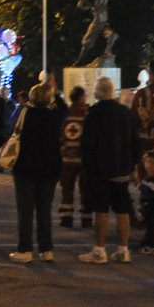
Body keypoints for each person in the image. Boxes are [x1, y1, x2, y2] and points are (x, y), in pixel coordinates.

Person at [78, 76, 139, 264]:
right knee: (122, 209)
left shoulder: (94, 113)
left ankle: (99, 250)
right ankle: (123, 249)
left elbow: (87, 143)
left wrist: (87, 165)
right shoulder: (125, 112)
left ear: (98, 91)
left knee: (101, 209)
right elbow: (135, 141)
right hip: (122, 168)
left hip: (101, 168)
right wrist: (132, 165)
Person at [8, 80, 62, 264]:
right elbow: (64, 108)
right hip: (49, 168)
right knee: (44, 210)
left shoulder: (26, 113)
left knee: (25, 211)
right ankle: (46, 249)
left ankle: (25, 248)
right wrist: (54, 92)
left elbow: (14, 130)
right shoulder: (55, 116)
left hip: (26, 167)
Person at [57, 85, 92, 229]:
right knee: (86, 189)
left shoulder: (65, 115)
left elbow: (59, 136)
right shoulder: (88, 114)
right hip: (84, 158)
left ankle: (66, 218)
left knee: (67, 189)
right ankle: (86, 218)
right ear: (82, 97)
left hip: (66, 158)